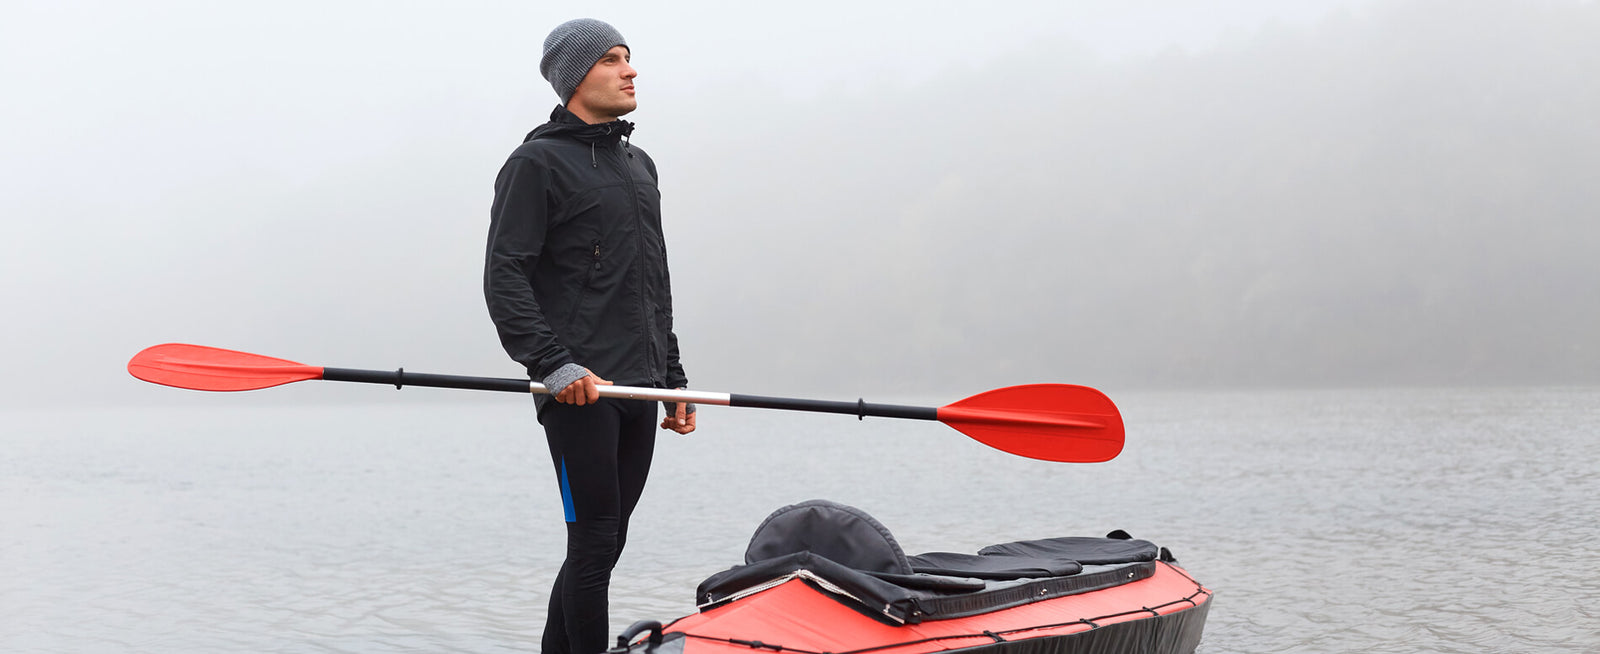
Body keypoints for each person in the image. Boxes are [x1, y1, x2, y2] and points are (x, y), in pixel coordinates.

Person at [483, 18, 695, 654]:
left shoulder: (639, 166)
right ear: (575, 77)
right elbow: (505, 276)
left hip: (639, 383)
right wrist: (554, 365)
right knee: (597, 540)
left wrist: (673, 380)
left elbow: (651, 282)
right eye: (610, 59)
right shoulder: (536, 163)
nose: (629, 70)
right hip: (580, 389)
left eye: (629, 58)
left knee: (606, 541)